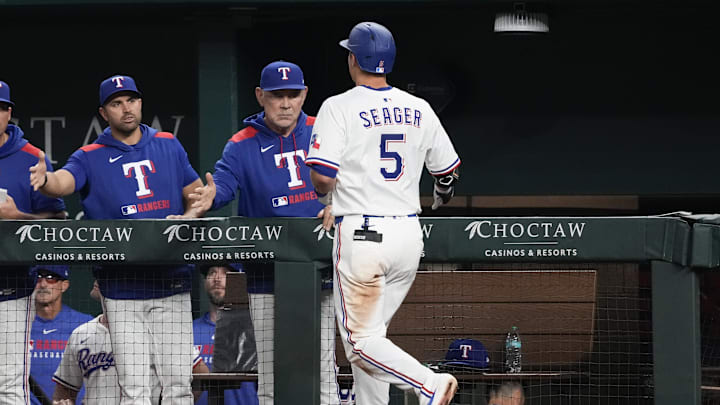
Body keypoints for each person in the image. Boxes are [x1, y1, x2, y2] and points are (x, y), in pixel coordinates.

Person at [306, 22, 461, 405]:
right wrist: (441, 195)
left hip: (363, 236)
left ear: (353, 59)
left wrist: (326, 189)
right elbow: (447, 173)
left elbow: (322, 179)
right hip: (408, 236)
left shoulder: (338, 106)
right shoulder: (419, 108)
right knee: (375, 337)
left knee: (359, 344)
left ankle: (429, 385)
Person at [29, 74, 206, 404]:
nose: (127, 108)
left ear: (140, 103)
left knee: (179, 384)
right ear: (103, 112)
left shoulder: (168, 143)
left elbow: (195, 194)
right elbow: (64, 182)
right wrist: (46, 180)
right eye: (117, 103)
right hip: (121, 286)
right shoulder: (90, 154)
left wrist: (191, 213)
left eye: (132, 100)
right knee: (134, 387)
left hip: (171, 281)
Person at [189, 61, 338, 404]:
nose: (285, 103)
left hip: (322, 274)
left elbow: (355, 177)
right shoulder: (241, 144)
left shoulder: (325, 129)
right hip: (265, 278)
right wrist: (212, 196)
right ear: (260, 96)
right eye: (276, 96)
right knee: (270, 379)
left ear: (304, 95)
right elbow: (224, 183)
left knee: (324, 375)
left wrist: (342, 201)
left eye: (292, 94)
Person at [0, 80, 66, 405]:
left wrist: (16, 216)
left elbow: (56, 224)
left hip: (11, 288)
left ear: (8, 113)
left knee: (9, 386)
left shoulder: (30, 158)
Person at [52, 280, 209, 404]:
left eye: (109, 277)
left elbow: (201, 374)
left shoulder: (158, 330)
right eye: (99, 276)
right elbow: (64, 390)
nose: (98, 280)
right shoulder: (81, 334)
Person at [193, 263, 259, 405]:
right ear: (204, 282)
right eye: (212, 272)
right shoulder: (188, 330)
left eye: (225, 273)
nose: (217, 278)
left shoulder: (253, 329)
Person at [29, 265, 93, 405]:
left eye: (51, 278)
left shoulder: (85, 324)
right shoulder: (19, 324)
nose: (43, 284)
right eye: (37, 278)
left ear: (64, 285)